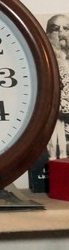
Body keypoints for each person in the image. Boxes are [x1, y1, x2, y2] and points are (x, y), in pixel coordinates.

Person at [47, 14, 69, 159]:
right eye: (56, 28)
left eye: (66, 28)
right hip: (56, 117)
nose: (61, 32)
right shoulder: (46, 62)